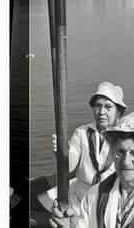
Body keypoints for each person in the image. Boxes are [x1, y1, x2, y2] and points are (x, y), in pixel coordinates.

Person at [38, 82, 127, 213]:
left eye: (108, 107)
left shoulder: (125, 136)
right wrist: (63, 153)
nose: (101, 112)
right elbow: (70, 167)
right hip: (80, 202)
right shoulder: (82, 132)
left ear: (119, 111)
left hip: (112, 204)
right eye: (98, 106)